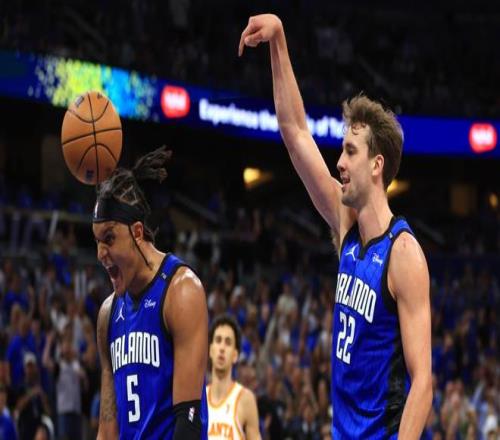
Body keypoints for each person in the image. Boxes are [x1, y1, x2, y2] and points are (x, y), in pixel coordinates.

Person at [239, 15, 432, 439]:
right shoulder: (346, 224)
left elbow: (423, 383)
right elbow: (294, 132)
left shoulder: (403, 254)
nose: (340, 163)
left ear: (377, 165)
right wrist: (279, 40)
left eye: (350, 152)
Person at [94, 147, 209, 439]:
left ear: (137, 232)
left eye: (109, 238)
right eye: (97, 241)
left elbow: (188, 422)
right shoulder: (108, 314)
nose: (101, 253)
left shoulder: (181, 290)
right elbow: (107, 428)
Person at [206, 314, 260, 440]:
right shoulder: (199, 399)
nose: (222, 348)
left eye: (228, 342)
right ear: (210, 350)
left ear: (235, 355)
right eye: (218, 340)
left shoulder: (246, 400)